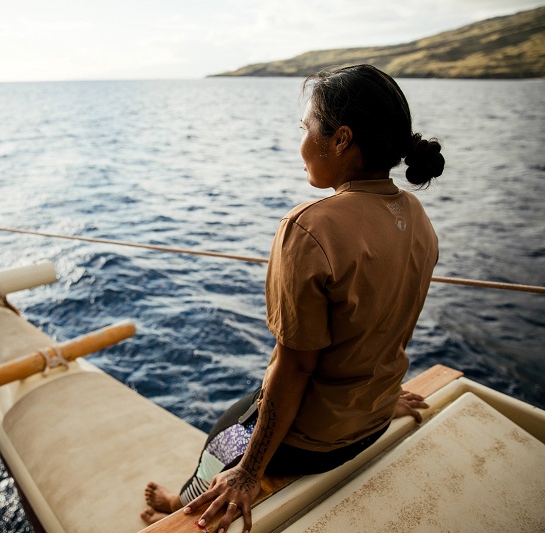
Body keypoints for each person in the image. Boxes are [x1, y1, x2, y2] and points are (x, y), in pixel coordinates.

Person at [140, 64, 445, 532]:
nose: (301, 142)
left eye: (306, 128)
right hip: (375, 414)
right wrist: (380, 402)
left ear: (340, 139)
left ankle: (180, 502)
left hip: (320, 440)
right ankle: (185, 493)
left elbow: (297, 365)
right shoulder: (415, 213)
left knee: (225, 435)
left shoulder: (309, 227)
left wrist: (249, 472)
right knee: (243, 416)